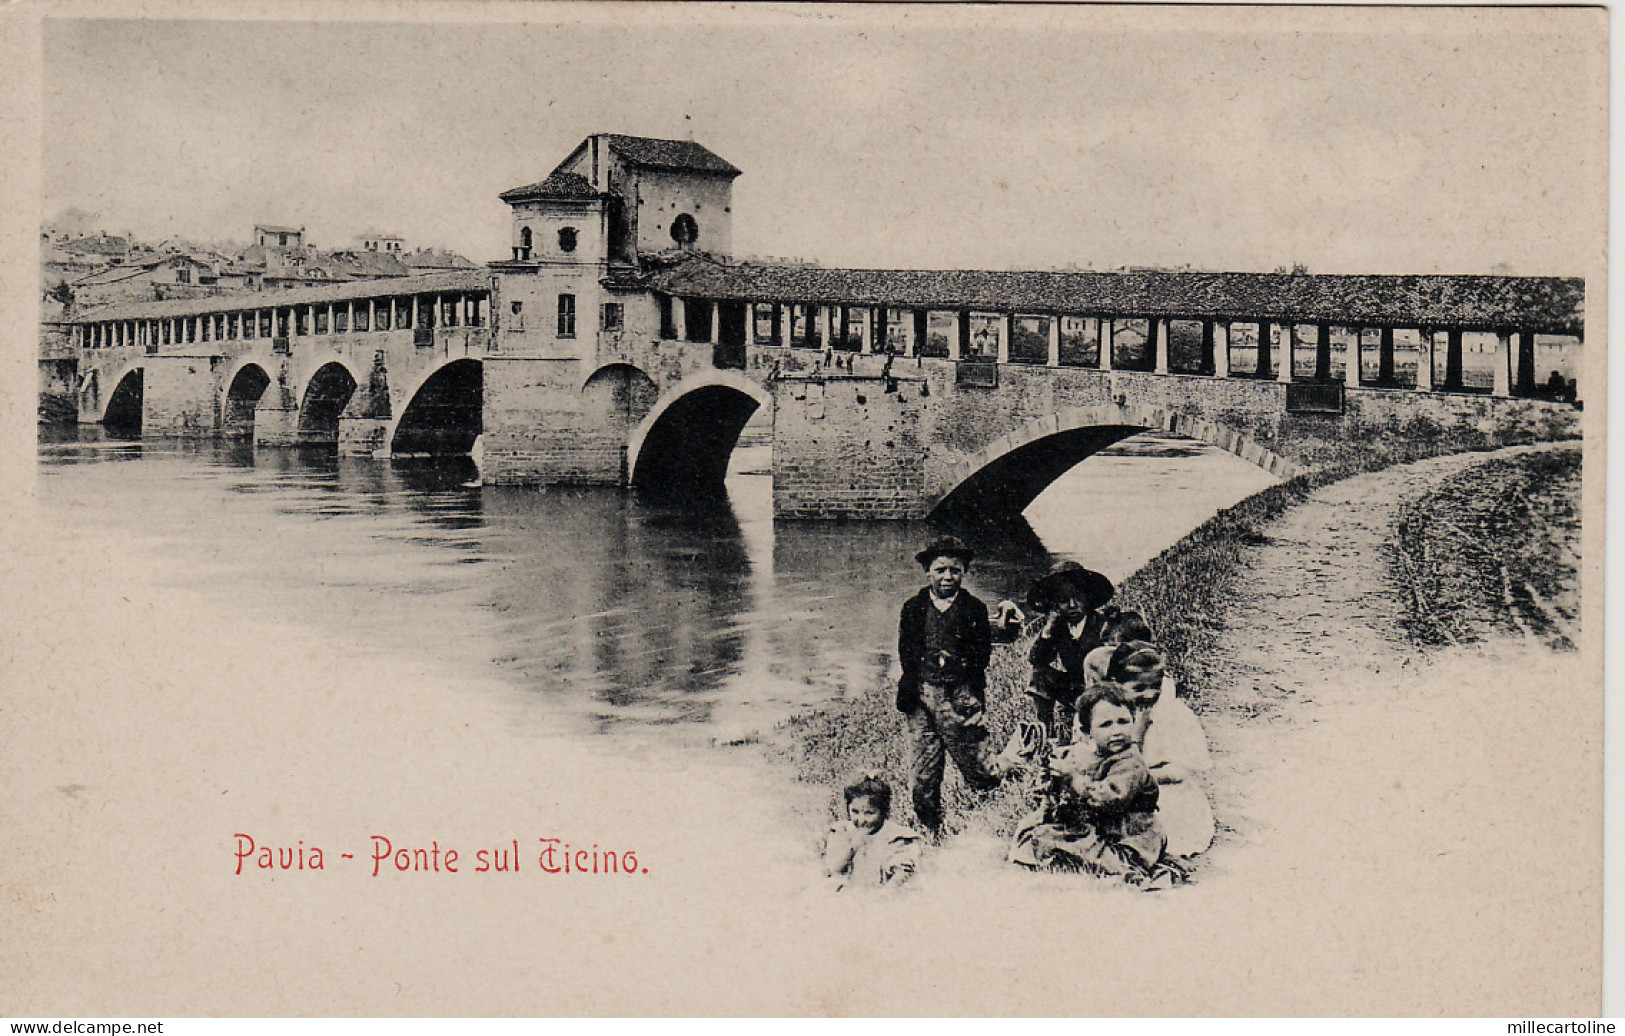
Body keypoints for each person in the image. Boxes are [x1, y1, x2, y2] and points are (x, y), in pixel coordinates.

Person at [897, 536, 1020, 835]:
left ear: (964, 572)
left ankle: (1009, 777)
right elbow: (906, 652)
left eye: (955, 570)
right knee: (924, 772)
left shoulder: (974, 609)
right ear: (928, 572)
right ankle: (932, 829)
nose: (947, 577)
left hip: (959, 695)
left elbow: (981, 656)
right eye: (940, 570)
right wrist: (912, 688)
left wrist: (970, 694)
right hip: (922, 696)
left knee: (978, 769)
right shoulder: (913, 608)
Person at [1008, 686, 1173, 887]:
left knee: (1081, 851)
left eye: (1123, 722)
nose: (1116, 731)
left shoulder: (1131, 763)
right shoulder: (1094, 757)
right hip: (1105, 831)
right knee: (1040, 833)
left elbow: (1110, 798)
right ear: (1088, 732)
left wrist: (1073, 778)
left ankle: (1122, 871)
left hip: (1131, 838)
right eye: (1106, 725)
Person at [1087, 634, 1216, 858]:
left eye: (1155, 686)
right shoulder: (1109, 712)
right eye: (1138, 688)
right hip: (1118, 788)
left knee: (1154, 825)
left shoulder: (1174, 714)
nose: (1149, 694)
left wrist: (1138, 775)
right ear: (1117, 685)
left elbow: (1181, 770)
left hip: (1163, 791)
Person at [1024, 561, 1115, 744]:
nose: (1072, 605)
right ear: (1055, 605)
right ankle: (1046, 732)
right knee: (1038, 674)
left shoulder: (1103, 624)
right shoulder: (1059, 628)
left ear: (1088, 598)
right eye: (1064, 600)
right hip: (1075, 688)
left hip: (1104, 689)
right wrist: (1048, 629)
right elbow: (1036, 659)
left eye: (1078, 598)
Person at [823, 774, 923, 891]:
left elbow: (902, 874)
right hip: (847, 894)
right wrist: (852, 849)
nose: (861, 820)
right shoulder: (842, 832)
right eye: (855, 811)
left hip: (882, 894)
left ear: (884, 812)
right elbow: (833, 870)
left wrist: (884, 895)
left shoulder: (896, 837)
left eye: (869, 813)